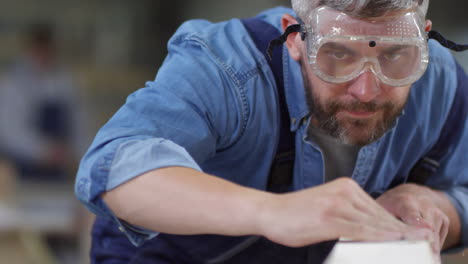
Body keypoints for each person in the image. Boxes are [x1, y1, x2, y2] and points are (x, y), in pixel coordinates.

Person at [75, 0, 468, 263]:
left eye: (395, 56)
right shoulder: (226, 67)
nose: (366, 90)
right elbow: (114, 165)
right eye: (338, 55)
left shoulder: (444, 87)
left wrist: (438, 208)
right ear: (295, 37)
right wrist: (271, 212)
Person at [0, 23, 85, 181]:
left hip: (60, 171)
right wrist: (45, 151)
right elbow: (9, 132)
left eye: (48, 50)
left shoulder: (66, 81)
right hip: (22, 170)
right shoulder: (13, 82)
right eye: (39, 50)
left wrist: (78, 154)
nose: (44, 55)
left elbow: (79, 124)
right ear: (30, 49)